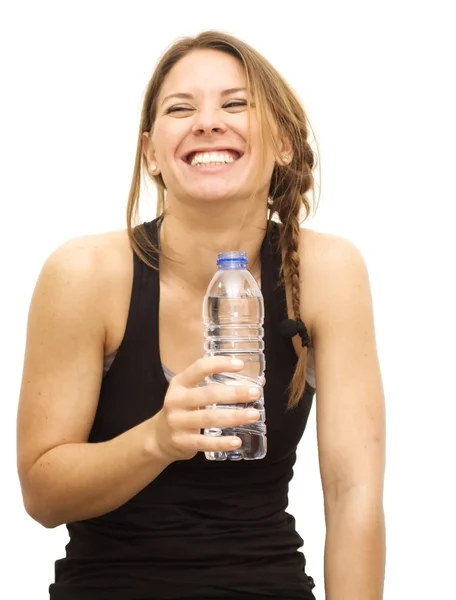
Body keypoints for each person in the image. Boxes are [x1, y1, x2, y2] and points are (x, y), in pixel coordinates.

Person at [16, 30, 386, 600]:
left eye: (235, 104)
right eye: (180, 109)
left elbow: (352, 491)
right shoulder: (85, 273)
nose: (208, 122)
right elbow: (42, 496)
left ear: (283, 142)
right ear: (151, 153)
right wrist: (159, 439)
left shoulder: (326, 271)